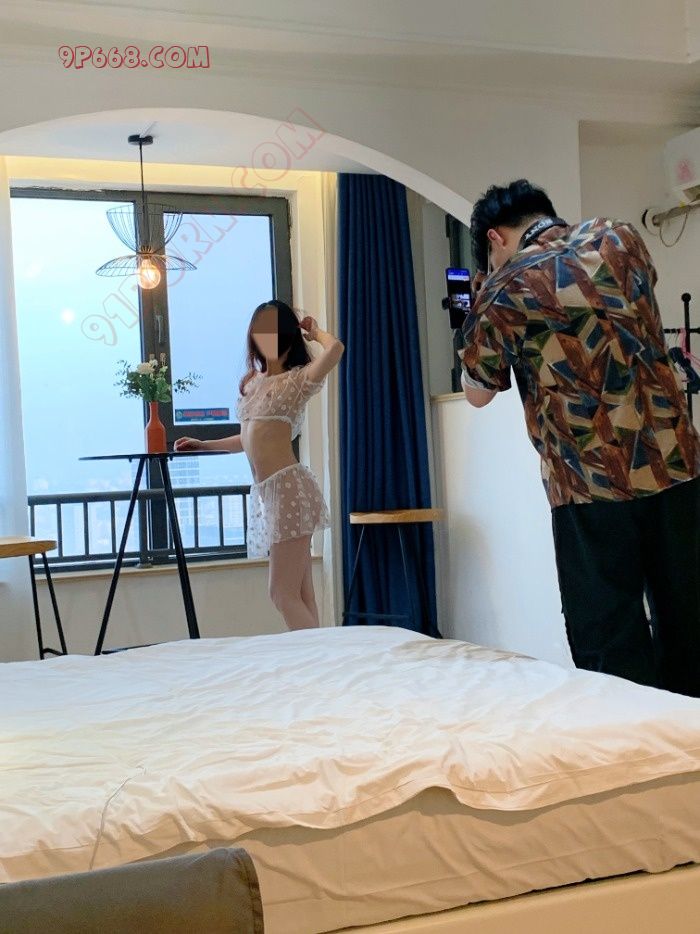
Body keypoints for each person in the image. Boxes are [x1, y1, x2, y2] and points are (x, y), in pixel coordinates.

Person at [460, 179, 700, 696]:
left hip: (589, 482)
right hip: (674, 465)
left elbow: (477, 392)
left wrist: (484, 299)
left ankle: (636, 740)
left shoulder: (504, 289)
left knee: (609, 641)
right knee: (691, 619)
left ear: (496, 238)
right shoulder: (621, 238)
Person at [176, 300, 343, 631]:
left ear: (285, 334)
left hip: (289, 490)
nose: (263, 337)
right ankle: (316, 655)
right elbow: (248, 438)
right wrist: (204, 444)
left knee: (281, 593)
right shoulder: (253, 383)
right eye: (259, 330)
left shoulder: (297, 381)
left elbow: (335, 349)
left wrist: (314, 332)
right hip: (273, 493)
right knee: (300, 593)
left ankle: (320, 655)